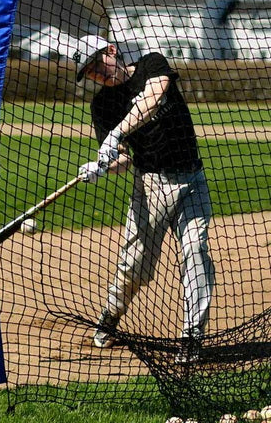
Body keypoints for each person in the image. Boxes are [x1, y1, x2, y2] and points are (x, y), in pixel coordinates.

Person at [71, 35, 214, 362]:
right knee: (136, 267)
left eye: (96, 64)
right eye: (89, 72)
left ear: (111, 50)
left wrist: (117, 134)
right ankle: (111, 313)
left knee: (196, 249)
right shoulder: (102, 105)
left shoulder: (151, 64)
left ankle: (192, 335)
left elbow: (154, 95)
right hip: (151, 186)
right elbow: (124, 159)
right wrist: (103, 165)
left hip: (192, 178)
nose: (96, 74)